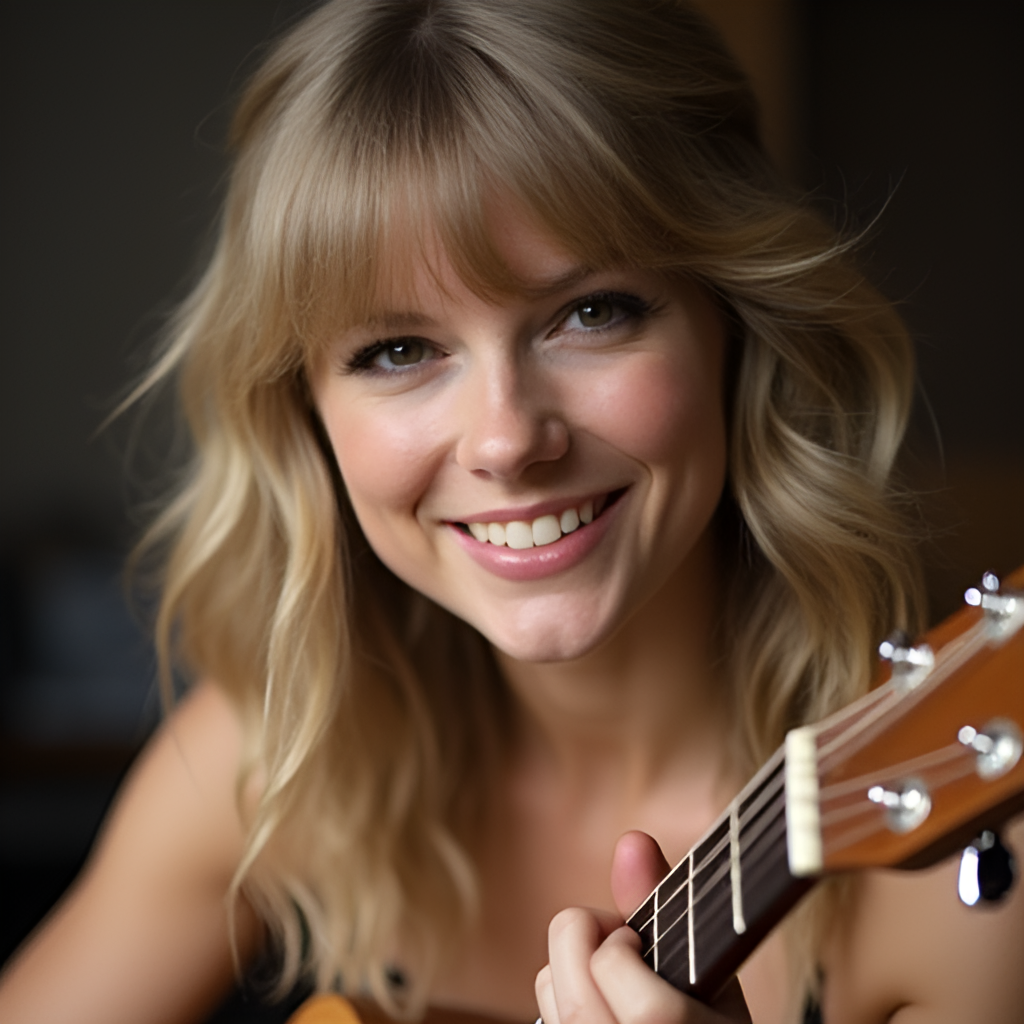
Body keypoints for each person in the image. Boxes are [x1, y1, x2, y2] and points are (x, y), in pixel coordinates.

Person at [1, 1, 1021, 1022]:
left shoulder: (962, 880)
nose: (504, 439)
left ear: (735, 329)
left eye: (592, 312)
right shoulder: (284, 753)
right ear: (303, 413)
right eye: (397, 350)